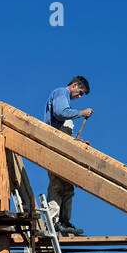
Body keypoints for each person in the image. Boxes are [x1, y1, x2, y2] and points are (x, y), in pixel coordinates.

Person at [44, 76, 93, 236]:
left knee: (68, 187)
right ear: (74, 85)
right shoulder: (61, 93)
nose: (79, 97)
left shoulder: (65, 98)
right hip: (55, 147)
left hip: (62, 147)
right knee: (57, 185)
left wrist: (78, 143)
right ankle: (53, 222)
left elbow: (63, 132)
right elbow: (60, 113)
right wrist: (81, 112)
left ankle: (64, 221)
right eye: (80, 93)